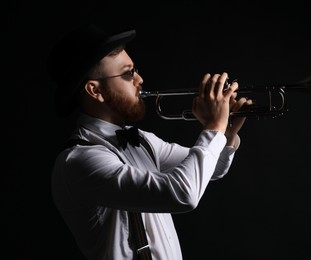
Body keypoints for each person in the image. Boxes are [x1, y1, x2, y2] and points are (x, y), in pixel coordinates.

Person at [47, 22, 252, 260]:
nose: (140, 79)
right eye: (128, 73)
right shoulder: (79, 162)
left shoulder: (142, 140)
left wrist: (225, 134)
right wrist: (213, 127)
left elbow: (211, 169)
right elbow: (184, 194)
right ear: (95, 91)